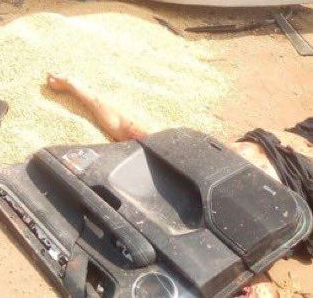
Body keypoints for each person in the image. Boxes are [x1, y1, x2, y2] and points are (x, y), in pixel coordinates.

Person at [46, 73, 312, 294]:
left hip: (258, 191)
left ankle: (78, 86)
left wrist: (77, 88)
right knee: (141, 138)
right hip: (262, 162)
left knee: (139, 138)